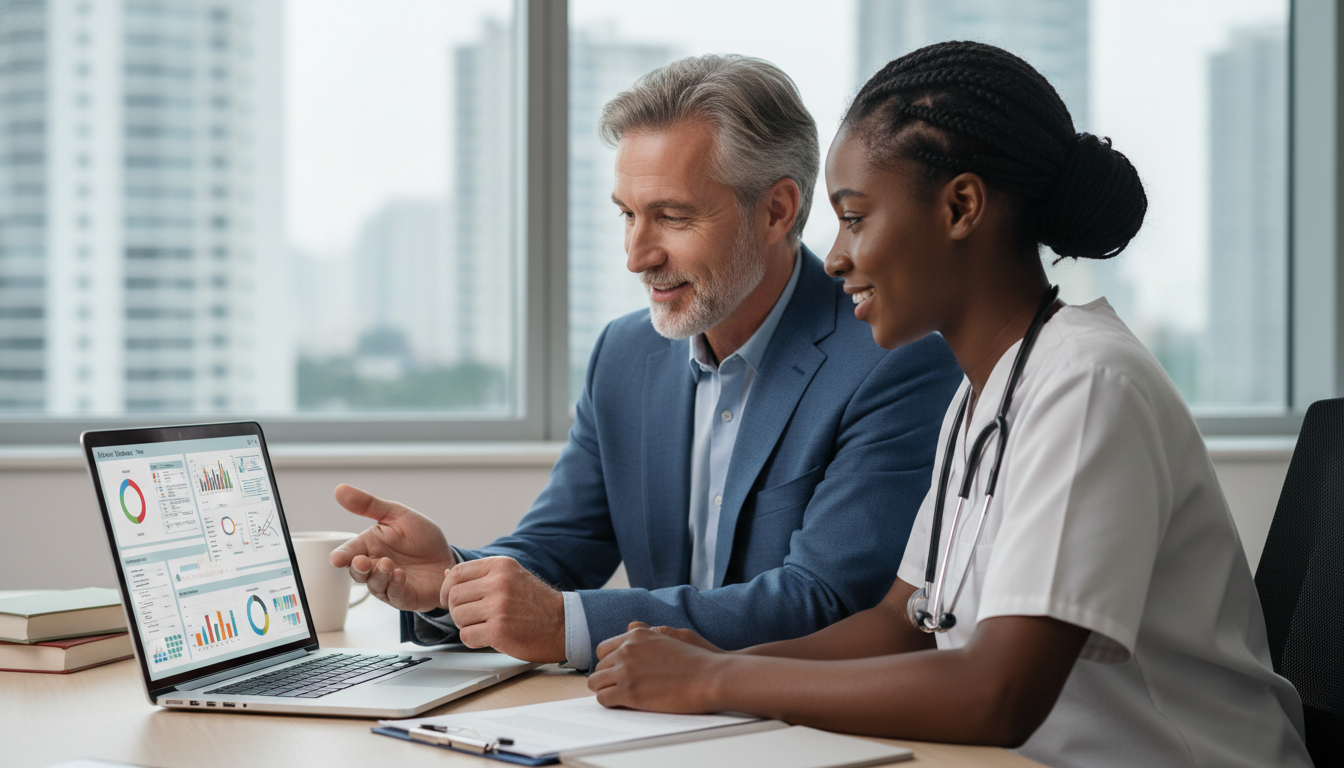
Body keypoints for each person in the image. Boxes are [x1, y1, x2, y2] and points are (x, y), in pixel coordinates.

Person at [585, 42, 1312, 768]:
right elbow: (904, 624)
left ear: (961, 207)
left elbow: (997, 691)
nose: (834, 256)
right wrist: (700, 665)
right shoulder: (983, 393)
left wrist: (718, 679)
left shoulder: (1089, 381)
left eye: (856, 218)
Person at [328, 55, 963, 671]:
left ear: (777, 210)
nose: (636, 256)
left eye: (672, 216)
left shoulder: (894, 361)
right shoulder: (624, 354)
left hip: (801, 727)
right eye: (628, 214)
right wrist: (450, 580)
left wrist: (561, 623)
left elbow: (825, 602)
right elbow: (558, 552)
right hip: (643, 720)